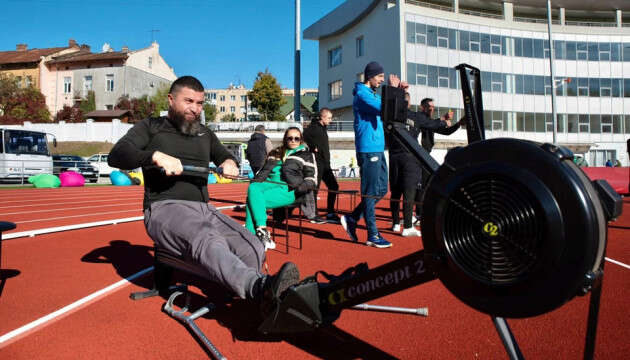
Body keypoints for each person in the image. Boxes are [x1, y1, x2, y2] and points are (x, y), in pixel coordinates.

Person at [107, 75, 299, 310]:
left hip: (204, 209)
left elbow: (223, 156)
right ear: (170, 99)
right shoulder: (151, 127)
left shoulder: (205, 133)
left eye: (199, 103)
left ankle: (258, 302)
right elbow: (116, 155)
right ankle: (256, 288)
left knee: (251, 244)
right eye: (189, 101)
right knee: (207, 238)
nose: (195, 109)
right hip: (165, 207)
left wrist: (229, 162)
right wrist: (155, 156)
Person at [340, 61, 407, 248]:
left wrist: (399, 92)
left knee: (382, 190)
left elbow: (395, 111)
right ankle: (372, 234)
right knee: (370, 193)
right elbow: (385, 109)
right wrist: (393, 91)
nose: (382, 80)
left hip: (377, 148)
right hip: (368, 149)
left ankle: (353, 218)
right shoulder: (362, 94)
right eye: (379, 77)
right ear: (370, 76)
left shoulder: (371, 93)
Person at [245, 126, 318, 250]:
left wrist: (301, 187)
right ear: (285, 139)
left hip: (289, 189)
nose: (293, 140)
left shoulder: (307, 155)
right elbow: (264, 171)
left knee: (251, 200)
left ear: (301, 140)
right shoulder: (275, 152)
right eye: (290, 138)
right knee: (253, 187)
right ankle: (261, 231)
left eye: (296, 138)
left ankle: (251, 235)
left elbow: (312, 179)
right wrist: (256, 179)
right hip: (268, 185)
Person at [414, 97, 461, 222]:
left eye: (433, 106)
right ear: (422, 107)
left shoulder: (431, 122)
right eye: (430, 106)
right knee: (420, 186)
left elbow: (446, 132)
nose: (432, 108)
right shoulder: (421, 119)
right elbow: (432, 124)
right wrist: (443, 120)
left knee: (426, 184)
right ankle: (417, 214)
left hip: (425, 155)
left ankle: (418, 213)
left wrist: (459, 124)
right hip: (418, 156)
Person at [304, 107, 341, 224]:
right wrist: (312, 146)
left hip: (326, 164)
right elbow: (304, 134)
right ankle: (313, 214)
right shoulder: (313, 128)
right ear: (322, 117)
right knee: (315, 188)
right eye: (329, 118)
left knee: (334, 186)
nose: (330, 120)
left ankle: (330, 212)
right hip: (317, 163)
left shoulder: (323, 128)